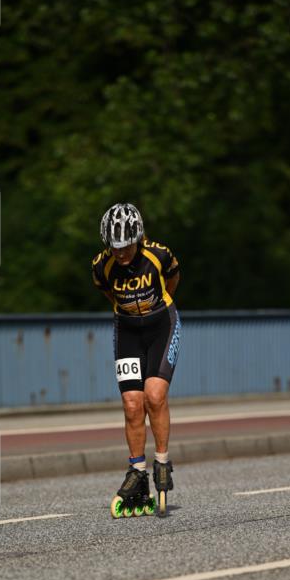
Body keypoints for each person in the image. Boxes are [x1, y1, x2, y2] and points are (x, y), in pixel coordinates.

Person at [91, 203, 182, 516]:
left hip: (162, 325)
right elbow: (109, 295)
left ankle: (162, 462)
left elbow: (172, 282)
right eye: (114, 247)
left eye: (127, 246)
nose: (121, 253)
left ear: (138, 238)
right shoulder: (101, 267)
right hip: (127, 329)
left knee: (155, 396)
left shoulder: (160, 255)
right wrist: (132, 311)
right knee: (132, 404)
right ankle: (137, 472)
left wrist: (153, 308)